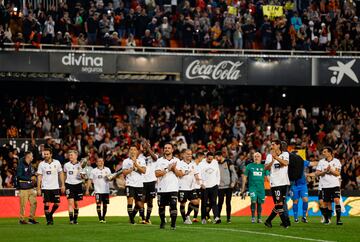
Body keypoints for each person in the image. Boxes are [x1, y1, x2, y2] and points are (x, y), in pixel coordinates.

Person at [264, 140, 291, 228]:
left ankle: (268, 221)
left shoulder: (285, 154)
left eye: (273, 144)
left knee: (280, 204)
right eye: (271, 144)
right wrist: (272, 161)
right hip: (275, 183)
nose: (271, 146)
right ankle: (285, 223)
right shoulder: (269, 156)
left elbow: (286, 163)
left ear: (278, 145)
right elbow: (266, 168)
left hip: (285, 182)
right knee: (279, 204)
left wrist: (276, 158)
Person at [155, 143, 182, 229]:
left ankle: (173, 224)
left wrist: (174, 169)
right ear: (163, 150)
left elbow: (180, 174)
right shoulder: (159, 161)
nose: (167, 149)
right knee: (161, 206)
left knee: (173, 205)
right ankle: (163, 221)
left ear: (172, 150)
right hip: (162, 188)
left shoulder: (177, 161)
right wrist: (167, 169)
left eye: (169, 148)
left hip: (173, 188)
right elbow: (157, 174)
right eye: (165, 148)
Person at [36, 148, 65, 225]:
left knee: (57, 204)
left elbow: (61, 173)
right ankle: (49, 220)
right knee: (46, 204)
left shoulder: (57, 162)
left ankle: (50, 214)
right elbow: (39, 176)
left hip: (55, 187)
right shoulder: (41, 164)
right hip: (45, 187)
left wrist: (62, 185)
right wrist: (38, 188)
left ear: (51, 154)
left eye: (47, 154)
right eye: (44, 154)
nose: (45, 155)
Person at [316, 147, 343, 225]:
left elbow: (338, 174)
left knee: (336, 200)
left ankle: (338, 220)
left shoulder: (336, 161)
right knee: (326, 203)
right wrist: (324, 171)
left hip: (335, 185)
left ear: (330, 153)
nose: (323, 153)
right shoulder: (321, 162)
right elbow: (317, 173)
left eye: (325, 152)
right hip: (325, 186)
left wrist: (330, 170)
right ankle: (327, 219)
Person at [290, 151, 318, 223]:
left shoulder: (302, 162)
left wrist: (323, 162)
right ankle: (296, 218)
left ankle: (304, 217)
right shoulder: (290, 164)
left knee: (305, 199)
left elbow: (313, 163)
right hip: (294, 185)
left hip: (303, 184)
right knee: (295, 201)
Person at [242, 152, 268, 223]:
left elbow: (268, 177)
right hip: (252, 187)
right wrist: (243, 188)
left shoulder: (263, 167)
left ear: (261, 158)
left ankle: (259, 218)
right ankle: (253, 217)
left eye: (258, 156)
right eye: (255, 156)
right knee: (253, 201)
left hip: (261, 188)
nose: (256, 158)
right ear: (253, 158)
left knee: (259, 203)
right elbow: (245, 176)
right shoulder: (249, 166)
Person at [122, 145, 146, 224]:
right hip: (130, 183)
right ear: (129, 151)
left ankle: (132, 216)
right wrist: (131, 168)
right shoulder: (126, 161)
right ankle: (132, 220)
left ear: (137, 151)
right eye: (131, 149)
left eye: (134, 149)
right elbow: (124, 172)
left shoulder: (141, 160)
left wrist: (137, 165)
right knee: (130, 200)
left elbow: (144, 171)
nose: (132, 151)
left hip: (139, 184)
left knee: (139, 204)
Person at [86, 157, 112, 223]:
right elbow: (90, 180)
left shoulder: (107, 169)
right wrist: (87, 189)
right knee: (98, 204)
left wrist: (109, 178)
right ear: (96, 163)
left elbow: (111, 178)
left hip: (105, 190)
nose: (100, 162)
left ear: (103, 162)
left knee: (105, 205)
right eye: (99, 161)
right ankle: (100, 218)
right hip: (97, 190)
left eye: (101, 161)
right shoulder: (94, 171)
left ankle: (103, 217)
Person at [177, 149, 199, 224]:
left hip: (191, 187)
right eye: (188, 154)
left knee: (195, 202)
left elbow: (196, 173)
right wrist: (185, 172)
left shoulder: (193, 164)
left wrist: (198, 179)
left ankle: (187, 215)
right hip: (182, 187)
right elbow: (178, 174)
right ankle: (184, 219)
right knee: (182, 203)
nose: (189, 156)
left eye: (190, 154)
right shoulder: (179, 163)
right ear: (183, 155)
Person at [199, 152, 221, 224]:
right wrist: (201, 184)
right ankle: (203, 218)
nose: (210, 160)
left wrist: (217, 183)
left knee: (214, 202)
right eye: (209, 159)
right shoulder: (201, 164)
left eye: (211, 159)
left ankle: (216, 217)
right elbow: (198, 175)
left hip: (214, 186)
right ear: (206, 157)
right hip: (204, 187)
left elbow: (218, 173)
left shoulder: (215, 163)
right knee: (204, 203)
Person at [16, 151, 38, 224]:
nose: (33, 157)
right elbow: (19, 176)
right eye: (32, 156)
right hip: (23, 188)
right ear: (28, 156)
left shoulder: (30, 165)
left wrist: (34, 175)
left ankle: (31, 218)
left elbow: (31, 174)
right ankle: (21, 219)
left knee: (34, 203)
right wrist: (30, 178)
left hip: (30, 187)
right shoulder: (21, 165)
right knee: (23, 205)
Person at [216, 150, 238, 223]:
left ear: (220, 156)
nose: (216, 159)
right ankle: (218, 217)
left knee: (228, 202)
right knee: (220, 202)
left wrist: (233, 182)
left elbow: (233, 172)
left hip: (228, 186)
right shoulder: (216, 163)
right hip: (220, 186)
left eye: (217, 157)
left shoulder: (228, 162)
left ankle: (228, 218)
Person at [139, 139, 158, 224]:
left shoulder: (154, 156)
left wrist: (148, 148)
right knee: (141, 199)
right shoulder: (140, 157)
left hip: (151, 181)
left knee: (150, 201)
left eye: (147, 147)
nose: (145, 149)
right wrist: (142, 148)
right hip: (142, 181)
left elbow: (155, 158)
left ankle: (148, 218)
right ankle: (143, 218)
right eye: (144, 147)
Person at [63, 150, 83, 224]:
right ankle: (71, 220)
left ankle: (75, 219)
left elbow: (84, 176)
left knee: (76, 203)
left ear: (76, 156)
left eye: (72, 155)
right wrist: (63, 185)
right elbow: (64, 175)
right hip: (69, 184)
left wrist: (83, 175)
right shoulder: (66, 165)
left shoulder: (81, 165)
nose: (70, 156)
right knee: (70, 203)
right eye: (69, 155)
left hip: (78, 184)